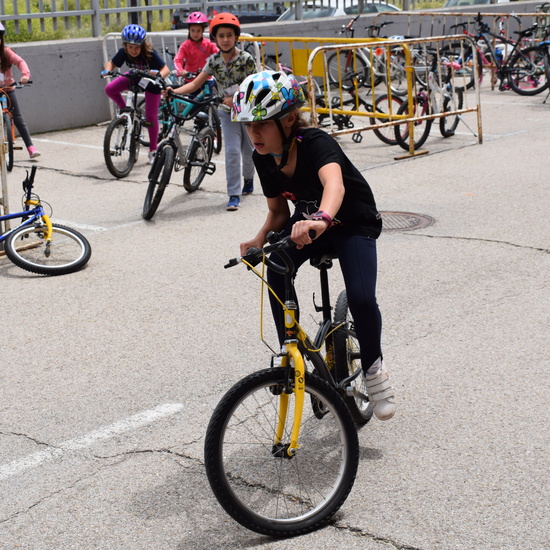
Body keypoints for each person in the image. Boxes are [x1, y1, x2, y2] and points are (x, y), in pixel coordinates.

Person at [234, 70, 396, 421]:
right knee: (276, 265)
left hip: (350, 222)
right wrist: (259, 238)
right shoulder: (264, 157)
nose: (253, 133)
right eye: (247, 125)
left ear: (289, 119)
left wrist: (322, 219)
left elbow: (334, 185)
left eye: (261, 124)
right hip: (306, 225)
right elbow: (278, 212)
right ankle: (288, 354)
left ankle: (374, 370)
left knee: (362, 298)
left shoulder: (316, 142)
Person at [167, 13, 256, 211]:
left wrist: (236, 98)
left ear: (236, 37)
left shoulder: (247, 59)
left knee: (248, 152)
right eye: (221, 35)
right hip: (226, 112)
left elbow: (255, 85)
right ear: (215, 38)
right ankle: (234, 194)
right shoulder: (214, 61)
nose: (225, 39)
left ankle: (249, 179)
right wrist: (174, 91)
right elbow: (195, 84)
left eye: (229, 35)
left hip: (247, 111)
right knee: (232, 152)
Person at [102, 24, 170, 165]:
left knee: (151, 117)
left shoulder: (150, 54)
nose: (133, 50)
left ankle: (153, 150)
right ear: (125, 45)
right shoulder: (123, 52)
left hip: (151, 83)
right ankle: (124, 109)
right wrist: (106, 71)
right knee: (109, 89)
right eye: (130, 47)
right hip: (134, 77)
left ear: (142, 45)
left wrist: (159, 75)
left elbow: (165, 69)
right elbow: (111, 64)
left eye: (137, 47)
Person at [0, 22, 40, 159]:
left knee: (17, 117)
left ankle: (30, 147)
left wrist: (25, 75)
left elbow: (20, 62)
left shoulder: (5, 52)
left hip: (7, 88)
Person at [173, 12, 218, 78]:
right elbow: (177, 60)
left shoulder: (209, 44)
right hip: (190, 79)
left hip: (206, 78)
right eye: (192, 31)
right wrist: (181, 70)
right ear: (189, 30)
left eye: (198, 31)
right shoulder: (185, 45)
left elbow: (220, 55)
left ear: (202, 31)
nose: (195, 34)